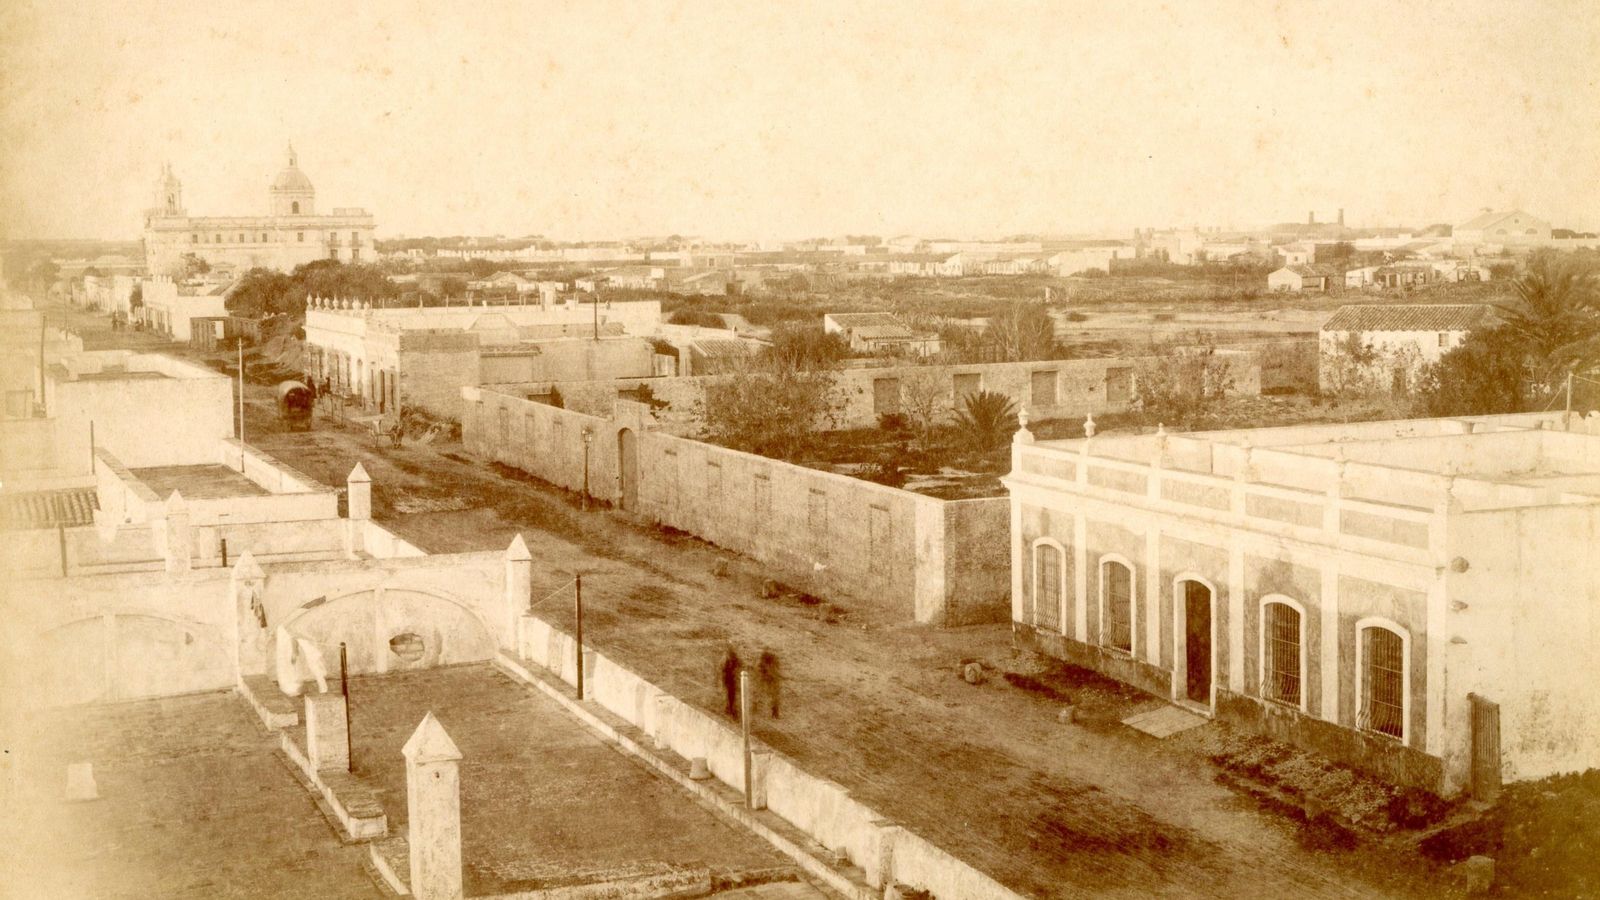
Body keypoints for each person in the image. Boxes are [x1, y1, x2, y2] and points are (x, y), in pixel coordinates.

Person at [756, 650, 781, 719]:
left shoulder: (766, 662)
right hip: (771, 678)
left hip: (771, 678)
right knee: (774, 695)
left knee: (774, 695)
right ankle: (774, 712)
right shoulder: (770, 662)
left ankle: (774, 711)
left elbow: (761, 668)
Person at [719, 646, 742, 719]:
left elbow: (739, 664)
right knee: (730, 695)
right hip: (729, 679)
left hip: (730, 679)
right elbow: (723, 668)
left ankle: (729, 709)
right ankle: (730, 709)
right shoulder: (727, 658)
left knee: (731, 695)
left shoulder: (729, 657)